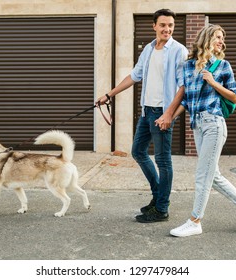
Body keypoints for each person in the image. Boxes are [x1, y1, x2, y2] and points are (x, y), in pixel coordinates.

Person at [156, 24, 236, 236]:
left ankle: (195, 221)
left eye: (223, 38)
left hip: (214, 123)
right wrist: (169, 118)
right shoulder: (188, 66)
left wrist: (213, 82)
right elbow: (186, 100)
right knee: (213, 175)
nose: (221, 41)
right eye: (218, 37)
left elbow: (235, 96)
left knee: (203, 175)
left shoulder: (223, 65)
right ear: (206, 38)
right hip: (197, 124)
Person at [96, 9, 188, 223]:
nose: (167, 29)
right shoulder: (148, 49)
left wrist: (168, 114)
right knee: (138, 151)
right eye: (163, 25)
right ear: (154, 26)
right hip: (147, 111)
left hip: (162, 113)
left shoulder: (179, 51)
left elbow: (183, 86)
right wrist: (109, 94)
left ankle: (162, 208)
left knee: (163, 160)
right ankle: (158, 197)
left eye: (171, 25)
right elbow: (134, 76)